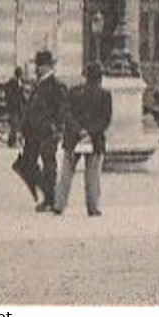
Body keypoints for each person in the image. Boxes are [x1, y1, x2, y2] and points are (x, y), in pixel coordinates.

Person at [54, 62, 112, 217]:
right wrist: (89, 132)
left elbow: (66, 113)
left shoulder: (74, 92)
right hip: (94, 139)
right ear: (100, 77)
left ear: (85, 76)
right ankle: (92, 207)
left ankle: (60, 204)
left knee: (66, 172)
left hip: (73, 137)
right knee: (93, 175)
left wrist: (79, 130)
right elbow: (105, 120)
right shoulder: (105, 95)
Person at [18, 50, 67, 212]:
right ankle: (48, 194)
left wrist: (57, 129)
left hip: (46, 132)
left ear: (46, 67)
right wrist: (22, 129)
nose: (36, 69)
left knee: (48, 165)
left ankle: (50, 199)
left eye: (39, 66)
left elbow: (62, 109)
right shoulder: (38, 84)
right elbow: (30, 109)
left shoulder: (55, 84)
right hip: (32, 133)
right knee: (26, 164)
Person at [3, 67, 26, 148]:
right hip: (14, 107)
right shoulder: (12, 82)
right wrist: (14, 102)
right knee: (14, 125)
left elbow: (21, 94)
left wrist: (25, 102)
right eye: (21, 74)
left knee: (17, 124)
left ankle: (13, 141)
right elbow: (9, 94)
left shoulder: (19, 82)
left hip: (19, 107)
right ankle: (12, 142)